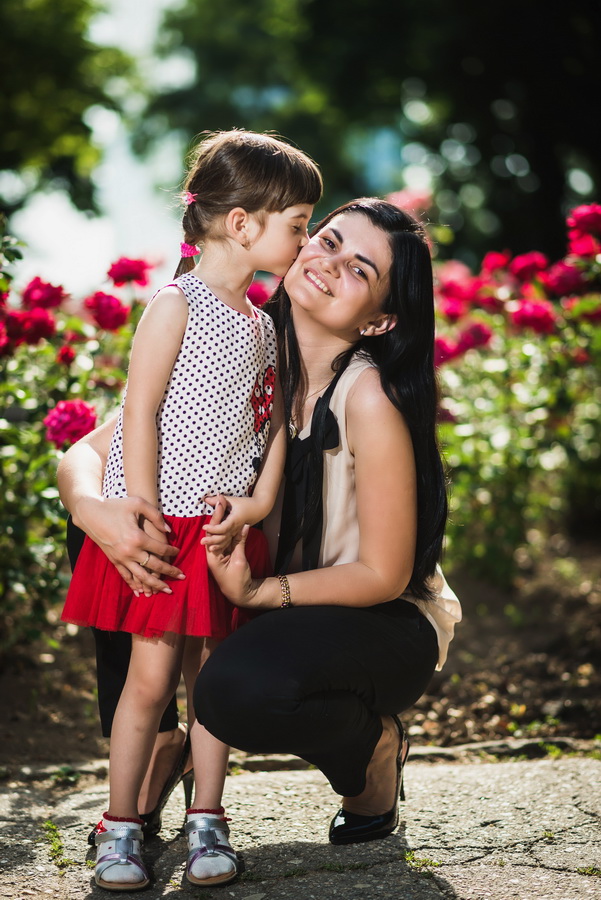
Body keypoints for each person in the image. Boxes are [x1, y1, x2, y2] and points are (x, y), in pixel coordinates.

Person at [58, 198, 460, 868]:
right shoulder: (232, 331)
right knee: (117, 525)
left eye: (357, 268)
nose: (326, 263)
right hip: (248, 586)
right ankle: (160, 743)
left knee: (235, 689)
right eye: (325, 239)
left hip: (365, 616)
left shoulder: (368, 398)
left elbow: (382, 575)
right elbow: (93, 453)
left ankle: (373, 755)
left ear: (381, 319)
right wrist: (92, 511)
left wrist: (257, 590)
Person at [60, 129, 322, 891]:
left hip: (221, 530)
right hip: (163, 527)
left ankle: (208, 817)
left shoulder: (262, 323)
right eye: (297, 223)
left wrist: (259, 500)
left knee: (213, 681)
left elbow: (268, 421)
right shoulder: (176, 305)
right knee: (148, 682)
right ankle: (121, 826)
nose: (303, 240)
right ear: (242, 224)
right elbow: (137, 412)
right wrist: (137, 506)